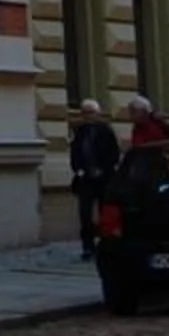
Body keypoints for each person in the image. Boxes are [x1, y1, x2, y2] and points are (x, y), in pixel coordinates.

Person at [68, 98, 120, 257]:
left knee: (105, 212)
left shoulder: (106, 131)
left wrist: (102, 170)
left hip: (104, 178)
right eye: (85, 113)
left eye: (91, 112)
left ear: (97, 114)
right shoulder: (79, 131)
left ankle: (105, 244)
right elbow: (75, 153)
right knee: (85, 214)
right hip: (85, 179)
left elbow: (114, 153)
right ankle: (87, 246)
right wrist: (79, 169)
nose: (88, 116)